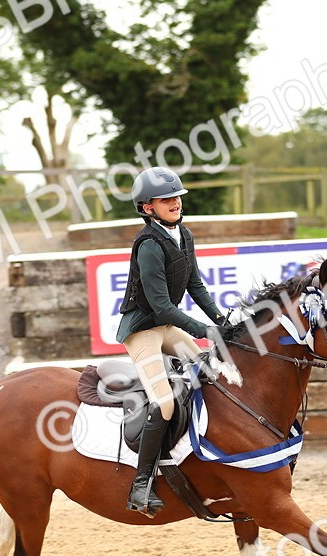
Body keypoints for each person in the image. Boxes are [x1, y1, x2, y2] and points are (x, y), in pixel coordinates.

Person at [116, 166, 228, 517]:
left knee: (210, 373)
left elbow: (196, 286)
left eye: (177, 197)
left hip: (165, 327)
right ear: (147, 207)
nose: (175, 203)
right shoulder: (148, 244)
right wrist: (204, 331)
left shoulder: (185, 235)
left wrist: (223, 322)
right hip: (143, 332)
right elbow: (162, 305)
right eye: (166, 199)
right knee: (163, 403)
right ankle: (141, 485)